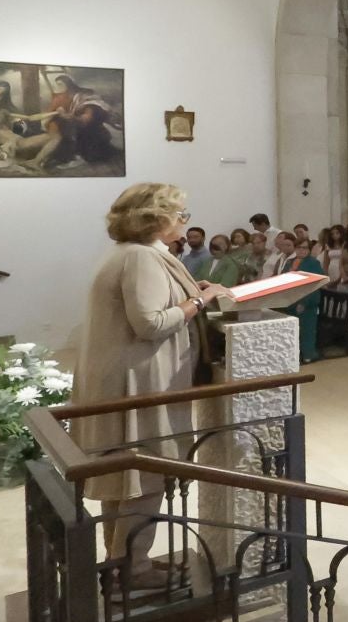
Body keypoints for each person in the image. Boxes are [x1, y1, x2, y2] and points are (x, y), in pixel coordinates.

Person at [70, 184, 231, 590]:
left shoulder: (131, 254)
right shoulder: (141, 258)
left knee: (125, 476)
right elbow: (151, 324)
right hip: (139, 381)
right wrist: (202, 300)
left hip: (129, 377)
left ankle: (122, 564)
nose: (184, 221)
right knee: (146, 474)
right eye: (180, 214)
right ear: (156, 219)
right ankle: (131, 568)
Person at [284, 238, 326, 363]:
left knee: (307, 329)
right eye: (299, 247)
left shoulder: (313, 263)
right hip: (291, 299)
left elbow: (313, 284)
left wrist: (304, 302)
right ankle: (294, 354)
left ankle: (308, 354)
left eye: (305, 248)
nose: (301, 250)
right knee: (292, 330)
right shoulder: (290, 262)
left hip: (307, 301)